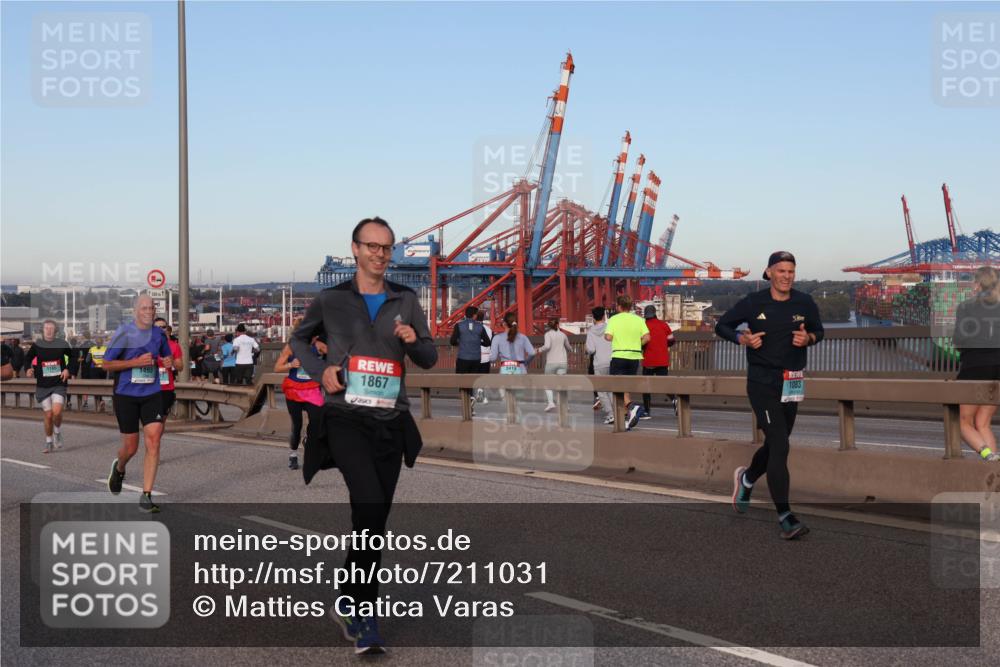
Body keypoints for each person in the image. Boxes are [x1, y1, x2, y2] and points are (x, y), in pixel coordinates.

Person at [291, 216, 437, 655]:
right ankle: (364, 614)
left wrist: (413, 340)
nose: (379, 254)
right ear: (354, 249)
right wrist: (323, 371)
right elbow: (299, 341)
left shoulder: (405, 299)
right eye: (371, 246)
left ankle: (347, 595)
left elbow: (429, 356)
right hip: (345, 417)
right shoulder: (332, 300)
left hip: (390, 421)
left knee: (371, 523)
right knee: (370, 508)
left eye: (386, 247)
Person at [715, 251, 824, 540]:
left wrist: (809, 338)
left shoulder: (805, 302)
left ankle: (747, 478)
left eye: (791, 271)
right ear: (769, 273)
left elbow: (819, 331)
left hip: (793, 380)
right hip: (762, 382)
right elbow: (721, 325)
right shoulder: (754, 303)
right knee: (780, 445)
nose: (787, 276)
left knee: (780, 442)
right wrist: (742, 338)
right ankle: (786, 516)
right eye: (781, 271)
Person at [103, 294, 175, 513]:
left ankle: (146, 495)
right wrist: (134, 362)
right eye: (144, 308)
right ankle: (120, 467)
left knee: (153, 440)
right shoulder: (124, 333)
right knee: (131, 447)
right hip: (126, 395)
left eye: (152, 308)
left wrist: (168, 361)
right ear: (135, 311)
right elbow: (106, 364)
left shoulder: (159, 334)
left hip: (152, 393)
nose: (149, 311)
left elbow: (167, 358)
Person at [954, 266, 1000, 462]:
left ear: (978, 284)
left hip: (974, 368)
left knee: (963, 422)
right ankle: (995, 468)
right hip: (998, 369)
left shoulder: (965, 307)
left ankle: (987, 455)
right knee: (983, 423)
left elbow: (959, 340)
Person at [274, 318, 326, 470]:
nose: (315, 336)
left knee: (318, 422)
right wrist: (291, 364)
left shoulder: (319, 346)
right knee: (296, 425)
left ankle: (309, 440)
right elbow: (277, 368)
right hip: (294, 390)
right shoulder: (291, 347)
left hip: (312, 389)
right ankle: (293, 455)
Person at [25, 320, 78, 452]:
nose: (48, 330)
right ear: (42, 330)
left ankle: (57, 432)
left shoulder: (62, 344)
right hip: (43, 384)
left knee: (57, 411)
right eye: (46, 328)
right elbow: (28, 358)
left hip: (59, 383)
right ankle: (48, 441)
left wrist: (68, 370)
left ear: (55, 331)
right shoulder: (38, 345)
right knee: (48, 415)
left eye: (51, 328)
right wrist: (28, 368)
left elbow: (73, 358)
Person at [604, 295, 650, 430]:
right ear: (630, 306)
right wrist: (637, 344)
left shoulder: (614, 319)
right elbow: (647, 337)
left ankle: (632, 407)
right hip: (635, 357)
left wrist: (610, 336)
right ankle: (628, 416)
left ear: (619, 306)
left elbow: (608, 337)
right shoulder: (639, 319)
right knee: (626, 387)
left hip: (619, 355)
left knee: (616, 386)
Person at [450, 305, 492, 414]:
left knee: (462, 381)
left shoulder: (458, 326)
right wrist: (479, 342)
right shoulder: (480, 327)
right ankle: (472, 398)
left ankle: (467, 402)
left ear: (465, 314)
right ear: (474, 315)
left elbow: (452, 341)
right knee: (472, 381)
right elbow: (487, 342)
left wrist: (461, 343)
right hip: (476, 358)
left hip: (463, 358)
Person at [640, 304, 676, 419]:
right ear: (655, 313)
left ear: (645, 315)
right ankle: (675, 400)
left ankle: (647, 411)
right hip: (662, 360)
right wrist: (663, 345)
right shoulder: (664, 325)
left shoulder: (643, 325)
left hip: (649, 361)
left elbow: (641, 342)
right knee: (664, 384)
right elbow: (672, 341)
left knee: (646, 387)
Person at [586, 307, 615, 425]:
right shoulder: (610, 327)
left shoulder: (591, 331)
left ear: (593, 317)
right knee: (612, 389)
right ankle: (618, 412)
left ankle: (610, 414)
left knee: (602, 391)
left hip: (599, 363)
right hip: (612, 361)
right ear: (604, 316)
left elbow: (591, 350)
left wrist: (587, 349)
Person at [537, 318, 572, 412]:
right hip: (562, 362)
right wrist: (570, 350)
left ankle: (551, 403)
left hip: (551, 362)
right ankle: (565, 405)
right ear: (557, 325)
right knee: (562, 384)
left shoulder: (547, 334)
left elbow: (547, 346)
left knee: (547, 383)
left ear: (549, 326)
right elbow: (569, 347)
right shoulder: (563, 334)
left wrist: (539, 350)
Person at [154, 319, 184, 427]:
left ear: (167, 329)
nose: (160, 329)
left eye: (163, 327)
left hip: (166, 388)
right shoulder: (145, 344)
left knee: (160, 422)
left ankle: (154, 441)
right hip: (148, 388)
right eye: (157, 327)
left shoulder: (174, 346)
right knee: (153, 423)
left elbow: (180, 367)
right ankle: (153, 442)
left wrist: (172, 362)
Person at [476, 311, 492, 403]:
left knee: (475, 376)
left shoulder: (473, 328)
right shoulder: (488, 329)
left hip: (475, 356)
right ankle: (483, 394)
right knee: (484, 376)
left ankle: (475, 393)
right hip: (486, 356)